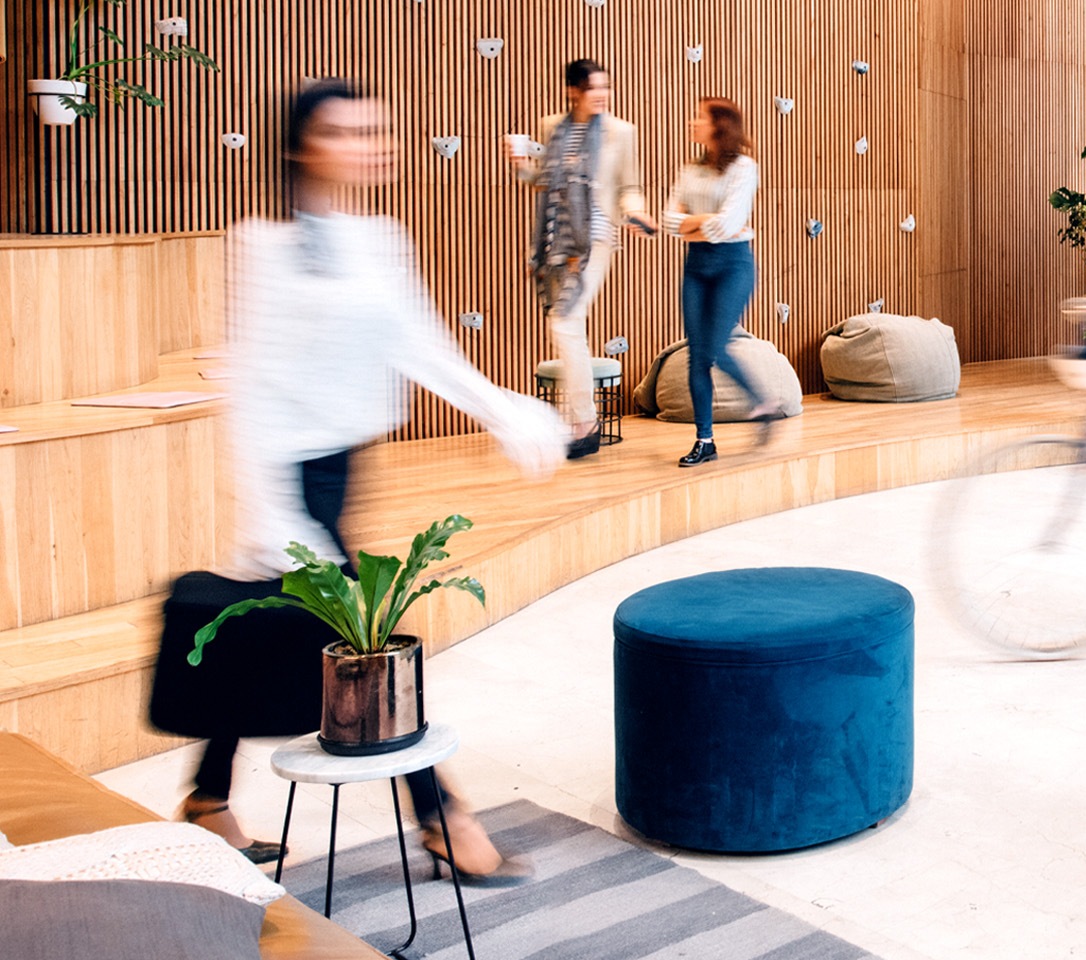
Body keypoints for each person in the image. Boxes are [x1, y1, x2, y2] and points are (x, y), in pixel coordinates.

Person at [186, 79, 567, 880]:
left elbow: (420, 344)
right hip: (287, 479)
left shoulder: (379, 238)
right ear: (301, 148)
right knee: (365, 645)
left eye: (377, 128)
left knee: (267, 636)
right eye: (347, 131)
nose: (372, 142)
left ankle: (205, 801)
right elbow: (247, 383)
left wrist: (504, 410)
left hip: (342, 468)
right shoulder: (264, 244)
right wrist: (270, 512)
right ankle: (441, 814)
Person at [504, 58, 654, 459]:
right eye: (592, 88)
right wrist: (521, 166)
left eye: (605, 86)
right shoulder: (552, 127)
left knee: (566, 323)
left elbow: (630, 186)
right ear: (574, 92)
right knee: (567, 326)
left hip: (596, 239)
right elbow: (544, 181)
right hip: (557, 243)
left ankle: (584, 421)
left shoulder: (622, 132)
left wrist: (636, 211)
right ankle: (581, 421)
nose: (601, 94)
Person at [662, 97, 784, 467]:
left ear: (720, 125)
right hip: (696, 268)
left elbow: (726, 225)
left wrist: (692, 225)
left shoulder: (745, 168)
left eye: (699, 116)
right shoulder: (690, 170)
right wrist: (704, 225)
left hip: (734, 267)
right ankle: (705, 440)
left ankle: (763, 404)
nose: (692, 121)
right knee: (697, 358)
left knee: (714, 347)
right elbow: (668, 221)